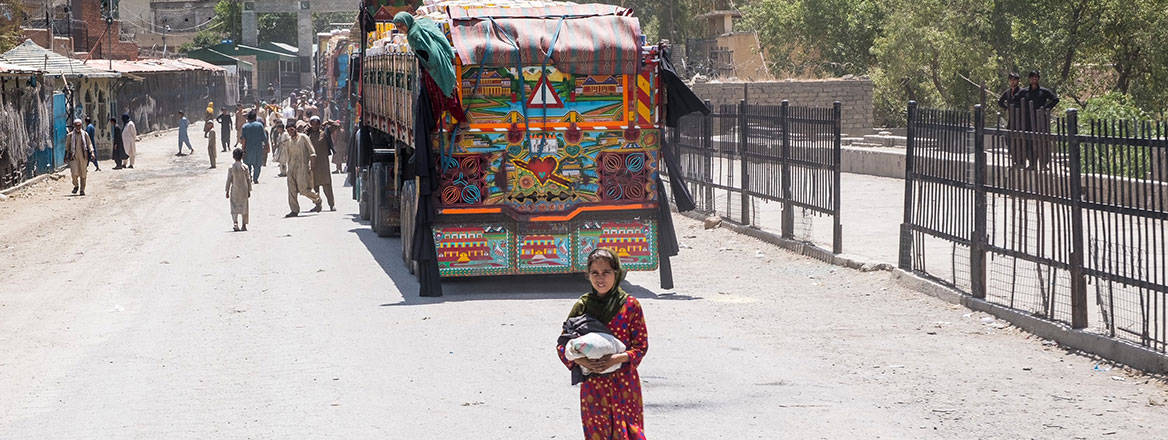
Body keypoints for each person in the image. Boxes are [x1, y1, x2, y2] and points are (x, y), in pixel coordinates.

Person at [557, 248, 648, 440]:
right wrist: (584, 363)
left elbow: (641, 347)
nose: (601, 278)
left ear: (617, 273)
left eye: (606, 272)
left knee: (630, 433)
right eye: (595, 273)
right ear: (588, 275)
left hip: (625, 385)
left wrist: (616, 358)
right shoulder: (582, 306)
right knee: (598, 434)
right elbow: (563, 346)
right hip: (594, 387)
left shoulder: (630, 305)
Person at [393, 12, 467, 125]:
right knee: (448, 94)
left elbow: (426, 54)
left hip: (434, 70)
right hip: (444, 62)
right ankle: (455, 122)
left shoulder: (413, 35)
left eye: (401, 25)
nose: (400, 29)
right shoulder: (422, 23)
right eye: (397, 26)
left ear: (407, 21)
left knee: (437, 98)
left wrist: (428, 66)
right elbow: (440, 37)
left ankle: (443, 125)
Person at [282, 120, 323, 217]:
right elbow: (286, 155)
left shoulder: (304, 138)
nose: (290, 132)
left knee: (303, 190)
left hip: (302, 168)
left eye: (291, 129)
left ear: (295, 128)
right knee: (291, 190)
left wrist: (312, 167)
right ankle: (294, 210)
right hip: (291, 168)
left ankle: (317, 199)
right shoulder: (288, 140)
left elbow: (312, 152)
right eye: (288, 130)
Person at [1021, 70, 1059, 169]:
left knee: (1043, 142)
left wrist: (1046, 108)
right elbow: (1015, 100)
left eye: (1036, 77)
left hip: (1042, 120)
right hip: (1028, 121)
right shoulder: (1024, 91)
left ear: (1038, 78)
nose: (1034, 79)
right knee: (1029, 141)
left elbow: (1055, 99)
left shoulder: (1044, 91)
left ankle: (1043, 164)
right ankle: (1032, 163)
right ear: (1029, 79)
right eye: (1032, 77)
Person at [307, 116, 336, 211]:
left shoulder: (325, 133)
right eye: (313, 123)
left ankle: (331, 204)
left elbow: (336, 125)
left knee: (327, 185)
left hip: (323, 164)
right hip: (313, 164)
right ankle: (317, 205)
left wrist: (328, 121)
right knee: (315, 186)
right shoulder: (308, 135)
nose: (315, 126)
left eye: (317, 123)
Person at [997, 72, 1025, 168]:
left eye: (1015, 80)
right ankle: (1014, 159)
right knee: (1008, 139)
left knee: (1020, 140)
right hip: (1011, 119)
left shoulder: (1022, 91)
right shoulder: (1007, 92)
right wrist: (1006, 108)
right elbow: (1000, 102)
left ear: (1018, 81)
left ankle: (1021, 161)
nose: (1013, 82)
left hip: (1021, 120)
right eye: (1011, 80)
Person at [225, 147, 252, 231]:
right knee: (244, 206)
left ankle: (235, 223)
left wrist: (227, 191)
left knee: (234, 206)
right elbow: (248, 179)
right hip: (244, 190)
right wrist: (249, 190)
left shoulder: (231, 168)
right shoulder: (245, 167)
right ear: (242, 156)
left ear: (233, 157)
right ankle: (244, 224)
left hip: (235, 190)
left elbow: (229, 180)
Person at [66, 119, 95, 196]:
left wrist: (92, 152)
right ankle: (76, 185)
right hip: (73, 157)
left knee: (83, 174)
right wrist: (65, 156)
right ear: (74, 126)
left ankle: (82, 190)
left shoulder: (85, 134)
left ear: (81, 125)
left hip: (83, 156)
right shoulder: (70, 135)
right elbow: (67, 146)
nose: (78, 127)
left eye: (79, 125)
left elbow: (89, 144)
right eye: (76, 125)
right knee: (74, 173)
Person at [238, 111, 269, 184]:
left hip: (248, 149)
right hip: (258, 149)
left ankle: (249, 178)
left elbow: (243, 140)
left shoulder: (245, 126)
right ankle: (255, 178)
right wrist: (267, 147)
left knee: (247, 164)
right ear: (255, 117)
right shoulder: (260, 126)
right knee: (257, 165)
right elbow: (264, 138)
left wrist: (243, 149)